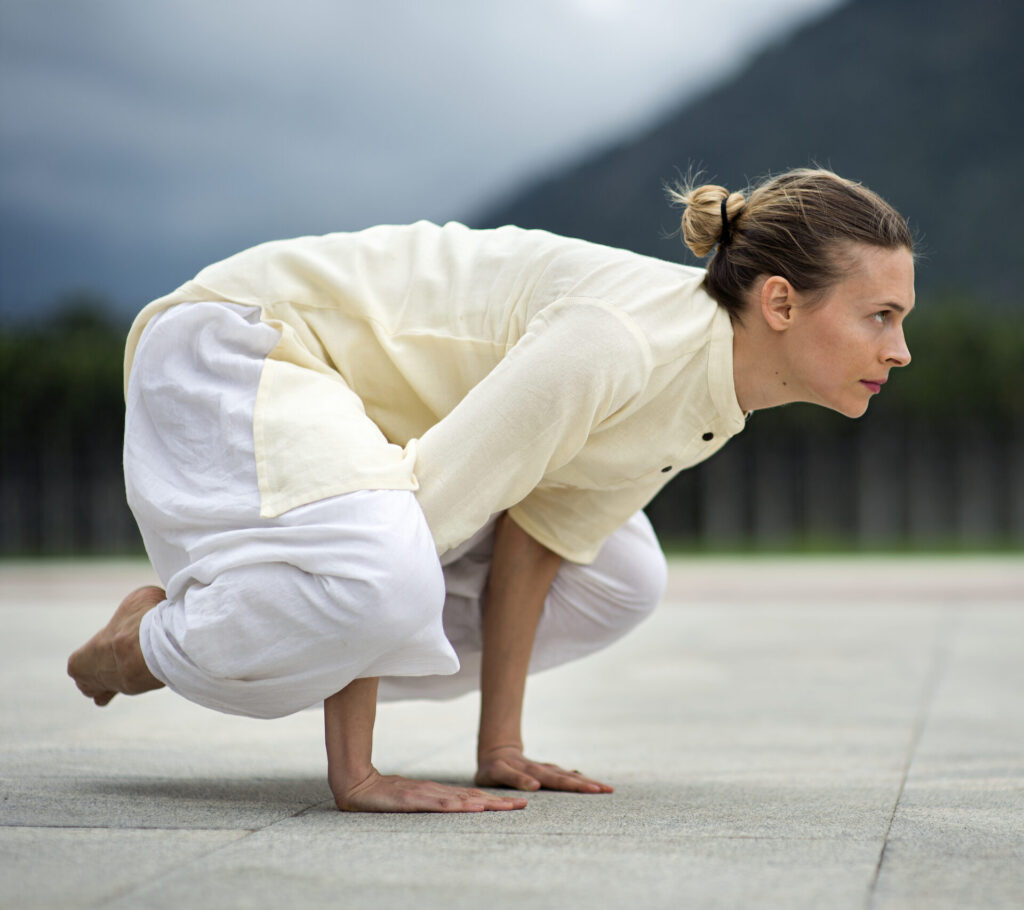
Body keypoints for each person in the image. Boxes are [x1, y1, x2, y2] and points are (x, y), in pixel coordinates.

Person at [67, 167, 915, 813]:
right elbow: (421, 520)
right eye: (881, 315)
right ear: (779, 303)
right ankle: (142, 645)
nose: (900, 348)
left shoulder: (714, 396)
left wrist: (499, 745)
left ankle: (259, 628)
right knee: (381, 579)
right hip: (247, 340)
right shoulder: (617, 343)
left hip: (364, 414)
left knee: (623, 579)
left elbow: (540, 532)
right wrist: (357, 774)